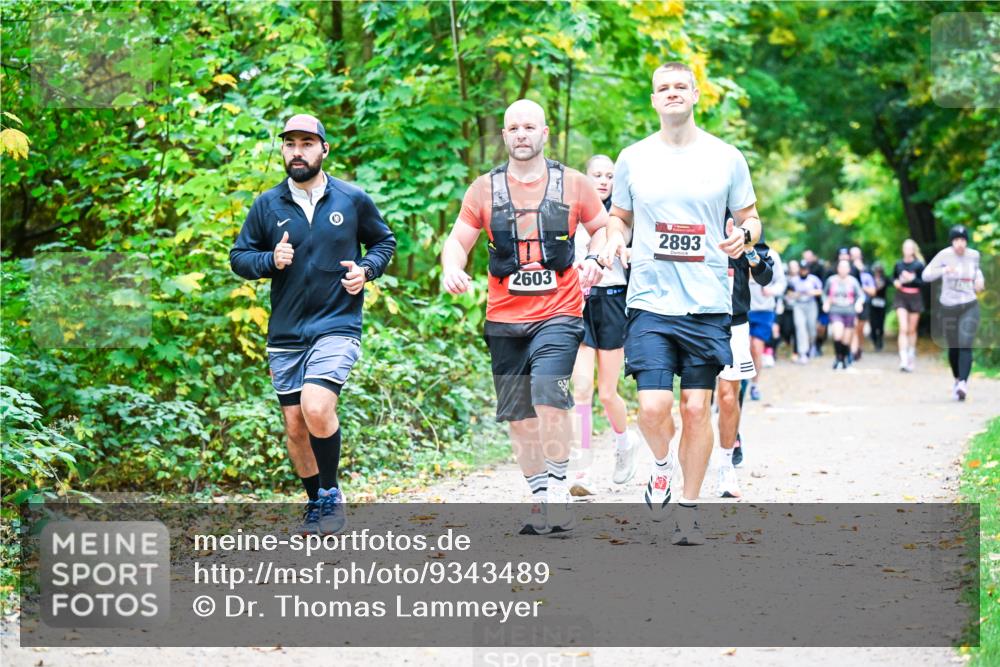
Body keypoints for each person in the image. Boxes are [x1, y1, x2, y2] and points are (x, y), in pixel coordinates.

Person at [601, 62, 762, 545]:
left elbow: (752, 219)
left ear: (695, 95)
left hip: (708, 302)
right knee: (653, 409)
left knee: (696, 408)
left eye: (679, 87)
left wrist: (744, 237)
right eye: (662, 88)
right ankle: (661, 467)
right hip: (650, 299)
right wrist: (612, 239)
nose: (671, 94)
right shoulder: (633, 157)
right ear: (653, 99)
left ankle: (688, 510)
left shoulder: (726, 157)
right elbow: (620, 218)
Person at [441, 99, 607, 535]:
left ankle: (557, 490)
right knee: (518, 415)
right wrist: (451, 266)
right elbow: (458, 239)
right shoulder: (483, 189)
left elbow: (605, 229)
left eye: (529, 126)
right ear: (504, 136)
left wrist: (598, 258)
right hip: (504, 317)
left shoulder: (573, 184)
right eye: (513, 127)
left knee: (548, 394)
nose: (521, 134)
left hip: (560, 310)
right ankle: (538, 497)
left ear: (544, 133)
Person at [230, 114, 396, 535]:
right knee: (295, 427)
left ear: (324, 149)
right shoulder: (267, 205)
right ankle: (314, 502)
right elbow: (239, 257)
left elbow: (383, 241)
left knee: (317, 407)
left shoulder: (351, 198)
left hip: (337, 322)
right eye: (290, 143)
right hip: (286, 331)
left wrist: (367, 270)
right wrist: (270, 260)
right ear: (283, 150)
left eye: (307, 143)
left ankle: (331, 494)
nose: (297, 151)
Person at [569, 154, 639, 495]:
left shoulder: (621, 218)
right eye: (597, 174)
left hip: (613, 301)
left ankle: (625, 443)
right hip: (579, 303)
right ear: (586, 177)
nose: (603, 181)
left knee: (607, 392)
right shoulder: (573, 212)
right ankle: (581, 470)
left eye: (610, 176)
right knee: (580, 389)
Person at [716, 229, 774, 497]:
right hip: (695, 316)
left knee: (729, 394)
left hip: (735, 318)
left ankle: (730, 447)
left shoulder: (746, 223)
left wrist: (748, 249)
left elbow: (765, 276)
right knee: (697, 396)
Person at [922, 225, 985, 400]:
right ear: (952, 242)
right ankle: (957, 379)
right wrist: (944, 270)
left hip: (969, 304)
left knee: (965, 342)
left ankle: (963, 383)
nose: (960, 244)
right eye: (956, 240)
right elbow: (926, 275)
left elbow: (977, 271)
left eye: (963, 240)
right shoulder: (944, 255)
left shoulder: (973, 255)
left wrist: (979, 280)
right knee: (954, 346)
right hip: (949, 306)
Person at [747, 248, 787, 400]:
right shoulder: (736, 249)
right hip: (741, 309)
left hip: (763, 309)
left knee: (756, 349)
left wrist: (771, 290)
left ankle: (754, 385)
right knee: (743, 347)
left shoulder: (771, 254)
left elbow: (781, 282)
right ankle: (740, 381)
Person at [822, 259, 865, 370]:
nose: (843, 269)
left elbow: (861, 296)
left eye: (845, 267)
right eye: (841, 267)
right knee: (838, 334)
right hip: (836, 310)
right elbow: (824, 294)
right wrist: (826, 302)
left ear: (849, 269)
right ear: (838, 268)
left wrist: (859, 304)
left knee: (846, 338)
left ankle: (845, 359)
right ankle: (838, 358)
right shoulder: (831, 280)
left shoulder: (853, 281)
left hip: (849, 311)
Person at [892, 239, 926, 372]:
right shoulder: (898, 264)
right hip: (901, 296)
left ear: (913, 250)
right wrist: (895, 282)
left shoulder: (918, 265)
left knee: (912, 329)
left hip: (915, 297)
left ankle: (911, 354)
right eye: (904, 248)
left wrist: (912, 279)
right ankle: (903, 359)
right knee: (903, 328)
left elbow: (924, 282)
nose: (906, 250)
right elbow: (893, 278)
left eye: (909, 248)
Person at [787, 259, 823, 363]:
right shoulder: (794, 280)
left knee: (811, 328)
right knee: (800, 327)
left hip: (811, 305)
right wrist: (796, 294)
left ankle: (812, 345)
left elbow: (821, 291)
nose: (803, 271)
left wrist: (811, 292)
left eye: (805, 269)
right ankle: (803, 353)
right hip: (799, 305)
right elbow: (789, 293)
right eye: (802, 269)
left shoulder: (813, 279)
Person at [869, 262, 889, 351]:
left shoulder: (884, 279)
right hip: (872, 304)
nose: (877, 272)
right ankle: (874, 340)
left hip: (881, 304)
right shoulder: (870, 279)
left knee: (880, 324)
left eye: (879, 271)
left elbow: (881, 287)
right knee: (873, 324)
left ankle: (880, 341)